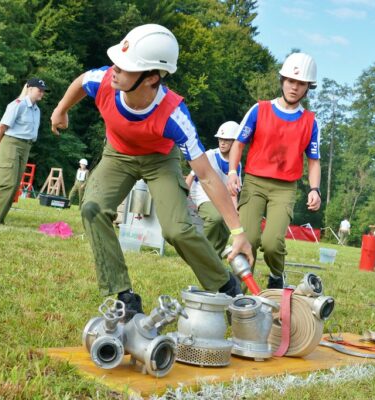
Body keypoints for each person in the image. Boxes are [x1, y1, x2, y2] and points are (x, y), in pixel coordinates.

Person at [50, 24, 252, 320]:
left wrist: (238, 232)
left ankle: (226, 286)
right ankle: (124, 296)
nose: (115, 69)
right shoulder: (105, 81)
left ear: (152, 78)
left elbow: (208, 176)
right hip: (117, 154)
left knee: (177, 230)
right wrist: (60, 109)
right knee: (92, 208)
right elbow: (82, 81)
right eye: (117, 62)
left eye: (126, 67)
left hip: (160, 159)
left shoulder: (173, 114)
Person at [227, 52, 321, 289]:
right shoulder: (259, 110)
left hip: (284, 188)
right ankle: (242, 291)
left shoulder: (310, 121)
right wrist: (232, 173)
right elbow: (239, 143)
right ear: (282, 81)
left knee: (271, 242)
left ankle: (277, 275)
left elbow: (313, 160)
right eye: (290, 81)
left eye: (301, 84)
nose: (294, 87)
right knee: (248, 238)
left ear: (308, 88)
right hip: (255, 182)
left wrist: (315, 189)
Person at [0, 78, 50, 225]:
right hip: (12, 143)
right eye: (40, 90)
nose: (42, 93)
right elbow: (2, 127)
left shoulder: (37, 110)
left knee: (15, 185)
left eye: (43, 91)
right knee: (7, 182)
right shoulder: (17, 105)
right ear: (30, 89)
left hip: (26, 146)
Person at [185, 121, 241, 256]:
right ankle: (200, 253)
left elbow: (233, 191)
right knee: (215, 217)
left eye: (226, 140)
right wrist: (182, 196)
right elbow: (191, 176)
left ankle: (215, 256)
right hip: (203, 193)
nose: (222, 143)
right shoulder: (209, 155)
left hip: (222, 196)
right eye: (221, 139)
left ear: (235, 142)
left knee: (229, 224)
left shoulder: (237, 164)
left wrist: (235, 211)